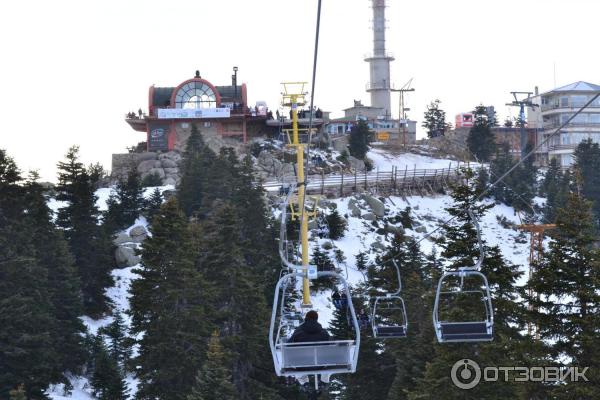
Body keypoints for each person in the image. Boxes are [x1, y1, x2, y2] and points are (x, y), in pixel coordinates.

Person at [290, 310, 331, 386]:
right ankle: (324, 381)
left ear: (306, 318)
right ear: (316, 319)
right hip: (320, 364)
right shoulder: (324, 332)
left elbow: (289, 345)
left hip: (301, 365)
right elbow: (330, 346)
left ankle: (304, 383)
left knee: (297, 366)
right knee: (327, 363)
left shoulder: (298, 331)